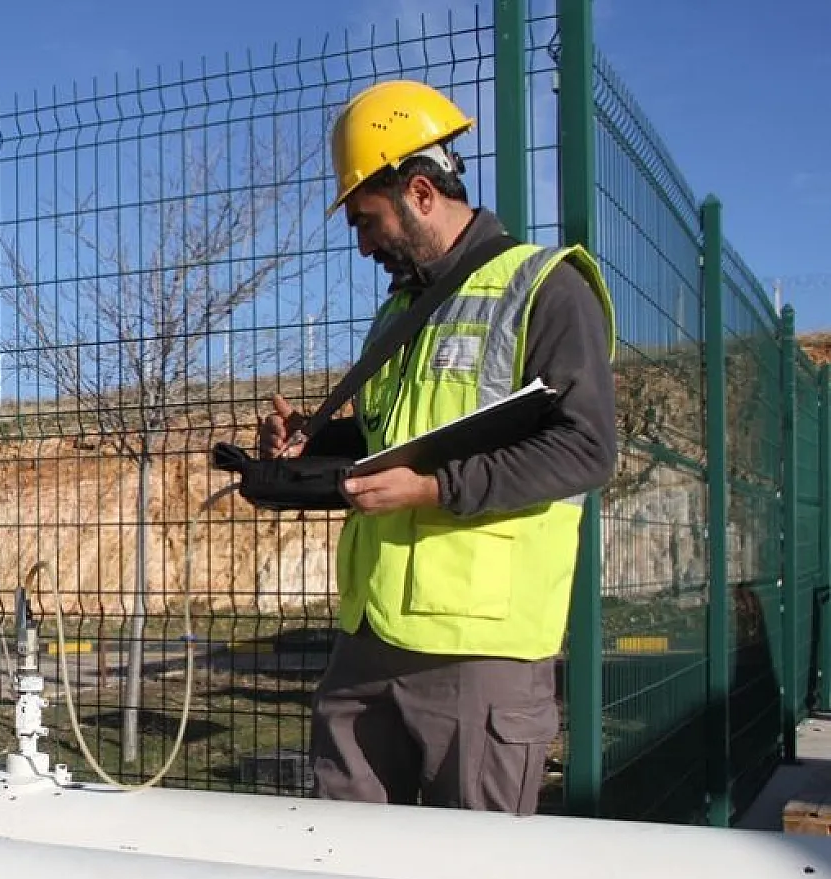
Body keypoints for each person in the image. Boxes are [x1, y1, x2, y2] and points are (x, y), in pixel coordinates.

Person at [258, 79, 618, 814]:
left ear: (421, 192)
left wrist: (434, 489)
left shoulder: (545, 288)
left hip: (480, 652)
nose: (360, 245)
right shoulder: (400, 311)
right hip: (370, 637)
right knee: (342, 858)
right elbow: (396, 437)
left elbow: (586, 448)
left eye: (367, 220)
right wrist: (316, 441)